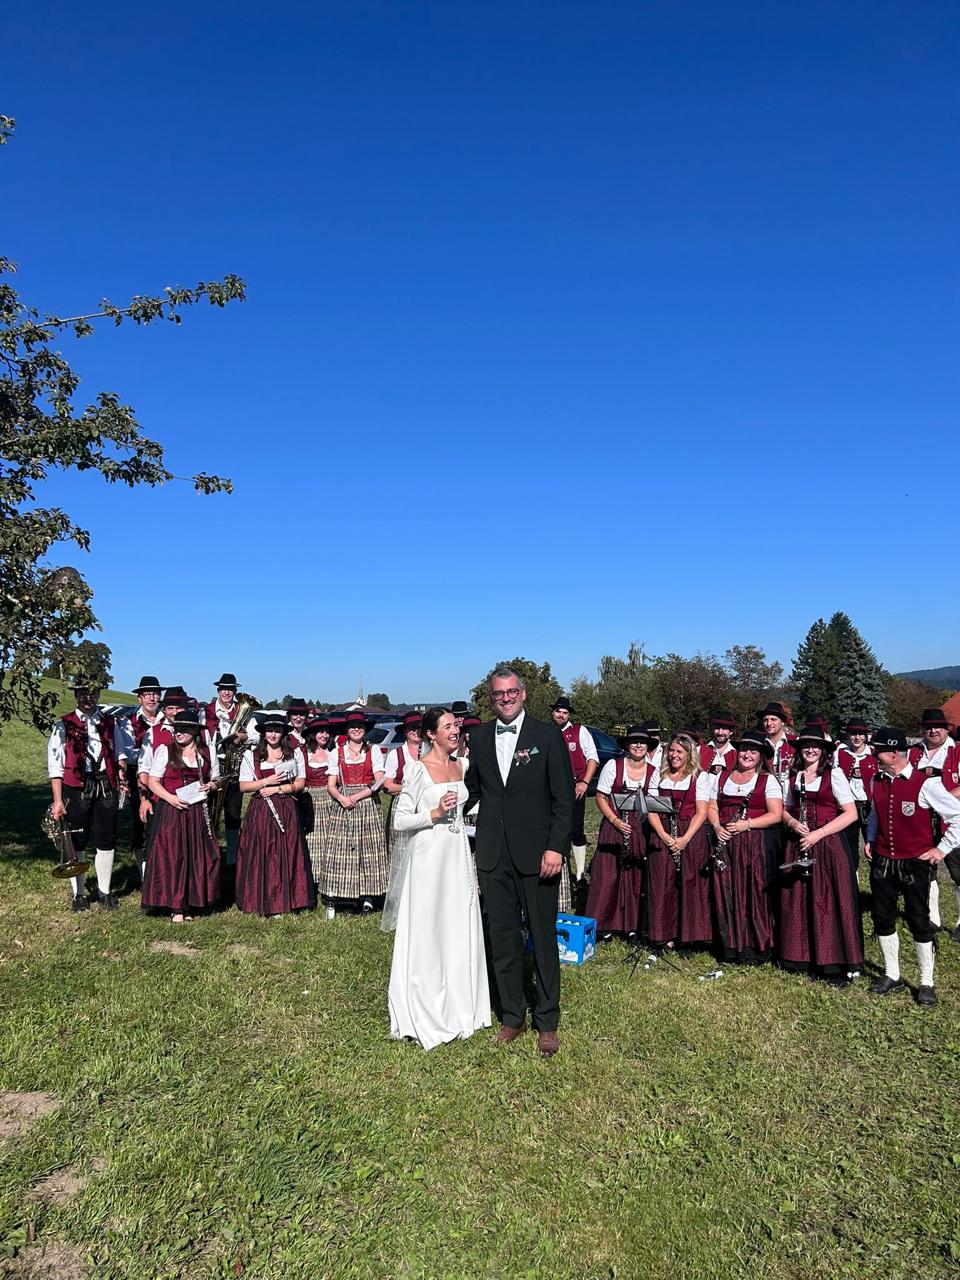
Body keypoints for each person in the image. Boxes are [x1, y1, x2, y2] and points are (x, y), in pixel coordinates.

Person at [464, 665, 573, 1057]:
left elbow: (564, 798)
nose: (506, 698)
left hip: (538, 854)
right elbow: (472, 791)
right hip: (494, 853)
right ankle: (513, 1015)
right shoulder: (478, 737)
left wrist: (556, 847)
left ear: (523, 694)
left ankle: (547, 1020)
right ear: (491, 698)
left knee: (542, 938)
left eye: (512, 692)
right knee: (503, 937)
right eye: (499, 694)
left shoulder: (547, 735)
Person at [384, 708, 491, 1049]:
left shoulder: (464, 765)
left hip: (457, 853)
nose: (455, 730)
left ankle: (462, 1003)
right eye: (447, 726)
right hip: (428, 856)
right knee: (429, 925)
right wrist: (434, 812)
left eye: (455, 725)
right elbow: (400, 821)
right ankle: (426, 1003)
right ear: (431, 734)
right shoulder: (417, 770)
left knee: (458, 921)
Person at [865, 727, 960, 1007]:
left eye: (879, 750)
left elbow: (957, 816)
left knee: (918, 920)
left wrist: (941, 849)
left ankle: (926, 982)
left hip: (915, 864)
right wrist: (871, 838)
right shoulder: (876, 780)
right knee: (883, 917)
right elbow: (874, 814)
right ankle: (892, 974)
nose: (875, 754)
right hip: (883, 861)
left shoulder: (925, 783)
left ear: (895, 753)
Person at [777, 725, 862, 985]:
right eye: (806, 746)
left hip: (827, 844)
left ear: (823, 751)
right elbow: (784, 809)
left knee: (827, 901)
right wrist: (792, 823)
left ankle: (832, 962)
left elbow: (851, 814)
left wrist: (819, 833)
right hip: (800, 841)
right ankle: (801, 956)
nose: (811, 750)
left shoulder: (833, 775)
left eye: (815, 746)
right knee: (800, 899)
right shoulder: (793, 776)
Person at [47, 674, 127, 911]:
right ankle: (79, 894)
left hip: (106, 786)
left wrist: (121, 777)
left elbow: (120, 754)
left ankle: (104, 892)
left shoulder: (110, 723)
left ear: (99, 695)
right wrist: (58, 800)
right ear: (76, 695)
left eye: (93, 693)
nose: (88, 698)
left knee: (106, 839)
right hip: (77, 788)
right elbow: (55, 766)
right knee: (77, 841)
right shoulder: (63, 724)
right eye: (83, 693)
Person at [706, 728, 784, 964]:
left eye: (753, 751)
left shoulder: (767, 780)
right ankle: (730, 947)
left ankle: (756, 947)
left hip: (754, 845)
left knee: (754, 893)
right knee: (726, 892)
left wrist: (746, 824)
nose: (747, 755)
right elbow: (712, 807)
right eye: (744, 750)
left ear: (761, 756)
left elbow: (776, 814)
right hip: (725, 844)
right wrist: (717, 827)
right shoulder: (722, 777)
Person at [141, 710, 221, 922]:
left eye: (184, 729)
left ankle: (191, 901)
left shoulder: (207, 753)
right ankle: (175, 906)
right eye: (177, 729)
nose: (179, 733)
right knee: (173, 856)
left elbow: (216, 779)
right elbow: (152, 782)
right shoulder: (165, 751)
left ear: (194, 731)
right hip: (172, 811)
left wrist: (211, 786)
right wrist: (171, 798)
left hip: (197, 812)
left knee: (196, 855)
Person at [235, 713, 312, 917]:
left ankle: (288, 898)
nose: (273, 735)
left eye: (277, 731)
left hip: (286, 808)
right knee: (262, 852)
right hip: (261, 810)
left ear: (283, 733)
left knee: (286, 851)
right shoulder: (251, 756)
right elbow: (243, 786)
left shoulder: (294, 753)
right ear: (264, 733)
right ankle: (260, 898)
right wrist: (265, 782)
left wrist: (277, 789)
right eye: (270, 731)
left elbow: (300, 784)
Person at [646, 734, 713, 950]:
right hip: (662, 831)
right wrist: (664, 835)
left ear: (689, 754)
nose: (674, 755)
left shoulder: (700, 777)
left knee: (689, 884)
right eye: (672, 751)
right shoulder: (659, 775)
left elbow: (701, 812)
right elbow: (650, 809)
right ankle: (661, 934)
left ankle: (688, 937)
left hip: (689, 834)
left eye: (679, 752)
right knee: (661, 883)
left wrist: (684, 839)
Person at [586, 726, 653, 942]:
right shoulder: (613, 766)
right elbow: (600, 797)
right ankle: (603, 924)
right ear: (627, 745)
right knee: (607, 875)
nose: (638, 745)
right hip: (614, 823)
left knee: (635, 877)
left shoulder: (654, 771)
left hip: (640, 827)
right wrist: (615, 820)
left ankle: (631, 926)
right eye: (634, 741)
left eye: (642, 742)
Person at [322, 710, 388, 916]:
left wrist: (358, 796)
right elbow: (331, 785)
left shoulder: (373, 751)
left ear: (365, 729)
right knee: (344, 850)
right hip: (343, 804)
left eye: (360, 726)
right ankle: (346, 896)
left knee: (369, 849)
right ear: (347, 730)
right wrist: (341, 798)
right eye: (352, 726)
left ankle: (368, 898)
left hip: (367, 802)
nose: (356, 729)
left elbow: (379, 780)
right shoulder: (337, 753)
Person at [907, 708, 956, 930]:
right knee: (927, 867)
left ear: (946, 729)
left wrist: (941, 800)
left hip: (952, 819)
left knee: (957, 871)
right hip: (923, 820)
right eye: (928, 727)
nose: (933, 730)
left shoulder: (957, 751)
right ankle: (932, 918)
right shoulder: (913, 753)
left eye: (938, 726)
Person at [549, 697, 599, 888]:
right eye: (558, 711)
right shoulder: (547, 732)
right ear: (553, 713)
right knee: (553, 828)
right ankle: (557, 871)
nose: (561, 715)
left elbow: (592, 758)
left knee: (576, 829)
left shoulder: (579, 731)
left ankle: (579, 876)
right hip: (551, 788)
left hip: (575, 788)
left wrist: (585, 782)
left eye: (565, 712)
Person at [203, 673, 250, 871]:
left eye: (230, 689)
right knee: (211, 811)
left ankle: (231, 858)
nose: (227, 693)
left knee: (233, 813)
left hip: (233, 768)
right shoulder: (206, 712)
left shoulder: (242, 710)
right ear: (218, 691)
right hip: (214, 766)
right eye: (224, 689)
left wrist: (243, 737)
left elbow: (255, 736)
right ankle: (209, 853)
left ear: (235, 691)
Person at [118, 675, 164, 867]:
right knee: (142, 821)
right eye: (147, 695)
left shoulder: (168, 719)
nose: (152, 698)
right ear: (140, 698)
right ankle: (143, 866)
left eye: (155, 694)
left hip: (164, 775)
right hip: (139, 774)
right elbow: (127, 754)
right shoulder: (128, 722)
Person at [834, 718, 879, 860]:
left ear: (866, 736)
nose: (857, 738)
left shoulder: (874, 754)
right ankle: (852, 872)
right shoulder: (840, 753)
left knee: (874, 844)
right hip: (848, 806)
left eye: (861, 734)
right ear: (848, 735)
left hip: (869, 806)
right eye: (853, 734)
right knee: (848, 846)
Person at [301, 716, 334, 893]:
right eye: (321, 732)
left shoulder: (333, 752)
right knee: (312, 839)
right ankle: (311, 881)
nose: (324, 735)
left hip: (329, 797)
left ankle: (328, 878)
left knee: (329, 839)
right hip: (309, 798)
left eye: (327, 732)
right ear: (313, 734)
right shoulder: (303, 753)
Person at [382, 712, 423, 846]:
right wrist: (410, 788)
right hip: (403, 803)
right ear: (405, 731)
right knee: (401, 845)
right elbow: (388, 786)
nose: (415, 731)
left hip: (426, 803)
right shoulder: (396, 754)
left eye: (419, 728)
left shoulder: (430, 751)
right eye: (412, 728)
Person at [761, 701, 796, 798]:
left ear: (783, 722)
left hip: (790, 796)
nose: (769, 723)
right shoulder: (759, 744)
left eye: (773, 719)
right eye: (765, 720)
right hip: (765, 796)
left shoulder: (795, 743)